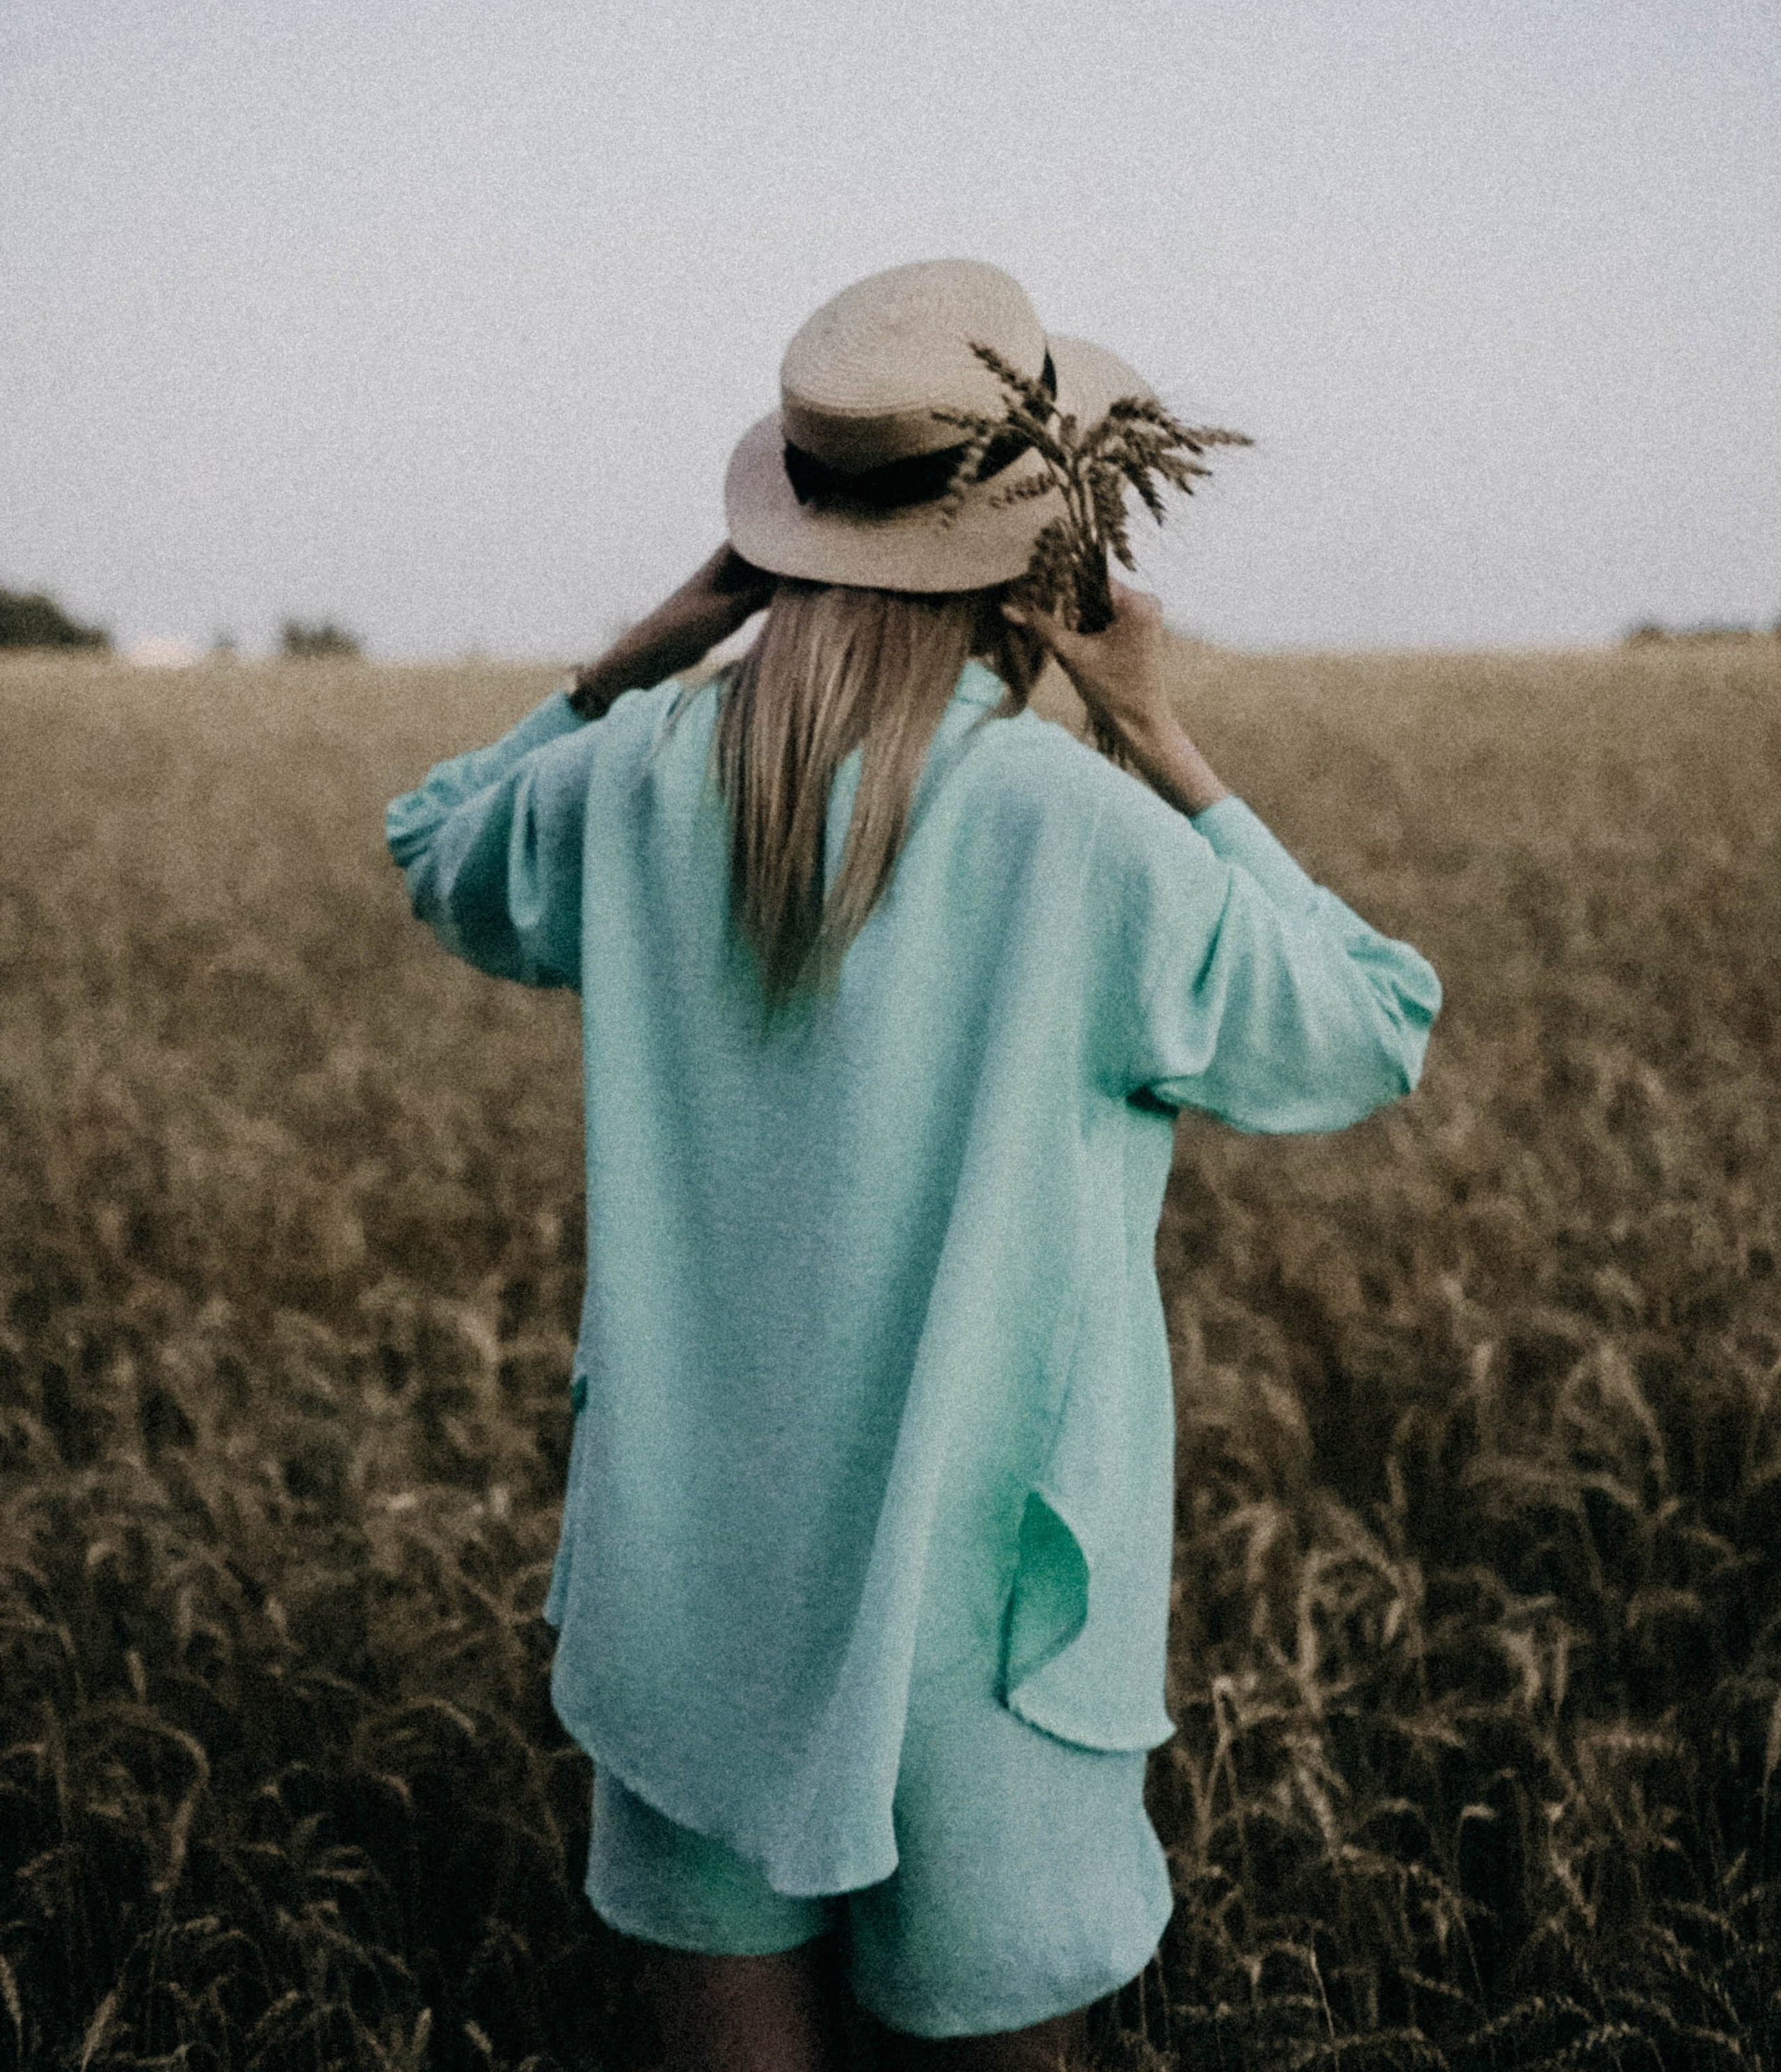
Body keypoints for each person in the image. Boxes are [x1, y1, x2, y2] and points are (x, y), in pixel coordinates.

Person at [385, 259, 1442, 2072]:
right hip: (995, 1602)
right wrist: (1157, 734)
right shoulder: (1074, 831)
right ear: (1050, 554)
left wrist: (637, 658)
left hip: (688, 1574)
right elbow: (1368, 1026)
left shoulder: (633, 787)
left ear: (784, 536)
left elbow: (436, 846)